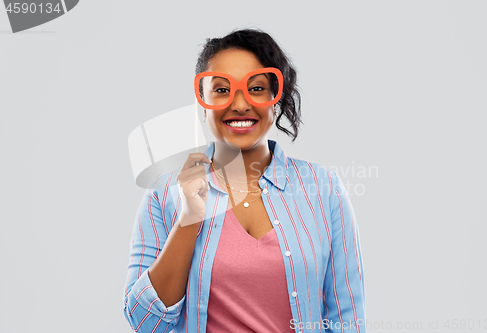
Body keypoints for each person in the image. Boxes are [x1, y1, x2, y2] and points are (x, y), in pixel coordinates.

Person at [123, 28, 366, 333]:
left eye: (257, 88)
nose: (240, 104)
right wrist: (189, 219)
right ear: (202, 101)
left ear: (275, 99)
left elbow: (348, 320)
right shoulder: (165, 193)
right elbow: (145, 322)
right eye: (222, 90)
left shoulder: (324, 188)